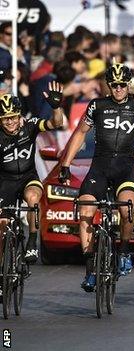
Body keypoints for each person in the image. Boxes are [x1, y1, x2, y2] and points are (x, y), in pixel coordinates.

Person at [58, 63, 134, 292]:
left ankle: (123, 250)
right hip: (100, 167)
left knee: (127, 208)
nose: (119, 89)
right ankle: (91, 268)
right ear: (108, 86)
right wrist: (65, 163)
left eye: (123, 85)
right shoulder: (97, 105)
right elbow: (80, 133)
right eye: (114, 85)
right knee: (85, 211)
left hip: (124, 168)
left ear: (128, 85)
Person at [0, 83, 65, 298]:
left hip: (28, 177)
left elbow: (56, 123)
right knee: (1, 226)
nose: (10, 122)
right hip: (5, 182)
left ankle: (31, 243)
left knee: (33, 198)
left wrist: (56, 107)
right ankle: (2, 272)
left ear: (20, 116)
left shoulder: (30, 125)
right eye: (5, 119)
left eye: (13, 117)